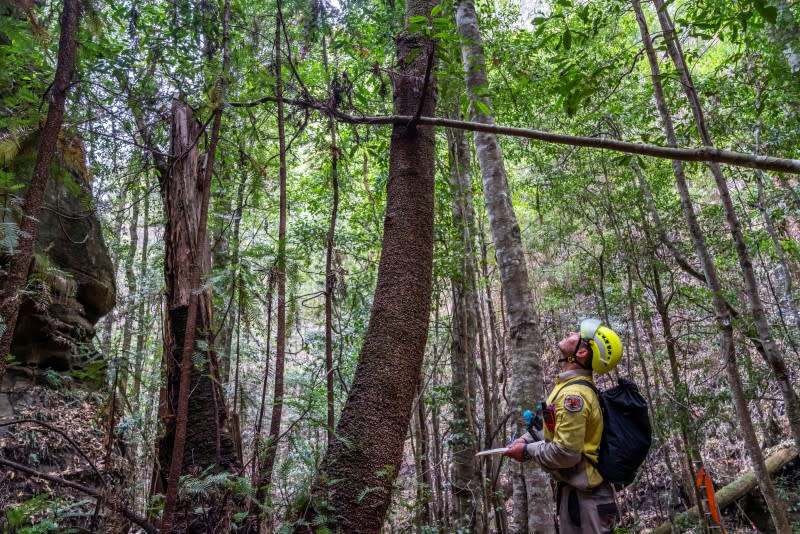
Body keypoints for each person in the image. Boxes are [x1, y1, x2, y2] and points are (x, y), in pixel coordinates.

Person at [504, 319, 622, 534]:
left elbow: (566, 453)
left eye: (577, 335)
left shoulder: (574, 396)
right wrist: (527, 438)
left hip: (588, 502)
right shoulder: (568, 387)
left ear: (582, 353)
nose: (570, 332)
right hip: (578, 497)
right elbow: (553, 429)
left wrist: (528, 450)